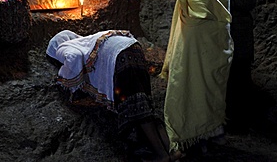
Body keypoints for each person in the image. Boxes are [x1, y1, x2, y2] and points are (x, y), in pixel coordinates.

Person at [46, 30, 182, 162]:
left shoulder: (64, 46)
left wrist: (63, 76)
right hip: (133, 48)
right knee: (146, 106)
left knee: (138, 111)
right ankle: (172, 151)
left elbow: (73, 56)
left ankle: (161, 155)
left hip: (121, 59)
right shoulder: (89, 40)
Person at [160, 0, 233, 154]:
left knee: (193, 88)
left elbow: (186, 1)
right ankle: (205, 133)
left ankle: (196, 132)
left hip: (204, 54)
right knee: (202, 90)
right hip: (204, 52)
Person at [213, 0, 257, 132]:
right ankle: (245, 119)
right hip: (246, 32)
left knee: (229, 77)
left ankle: (231, 122)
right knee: (243, 75)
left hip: (231, 33)